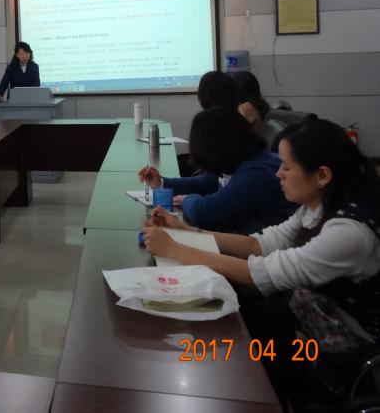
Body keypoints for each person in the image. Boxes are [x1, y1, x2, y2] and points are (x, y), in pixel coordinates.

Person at [143, 118, 380, 402]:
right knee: (232, 326)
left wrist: (175, 249)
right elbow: (258, 244)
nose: (278, 173)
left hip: (343, 355)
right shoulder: (315, 208)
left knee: (229, 354)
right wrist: (186, 232)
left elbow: (259, 274)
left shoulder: (347, 233)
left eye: (286, 167)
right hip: (311, 323)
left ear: (322, 175)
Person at [138, 107, 292, 234]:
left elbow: (203, 212)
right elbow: (201, 183)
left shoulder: (256, 173)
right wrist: (161, 182)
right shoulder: (242, 160)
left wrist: (187, 199)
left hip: (262, 249)